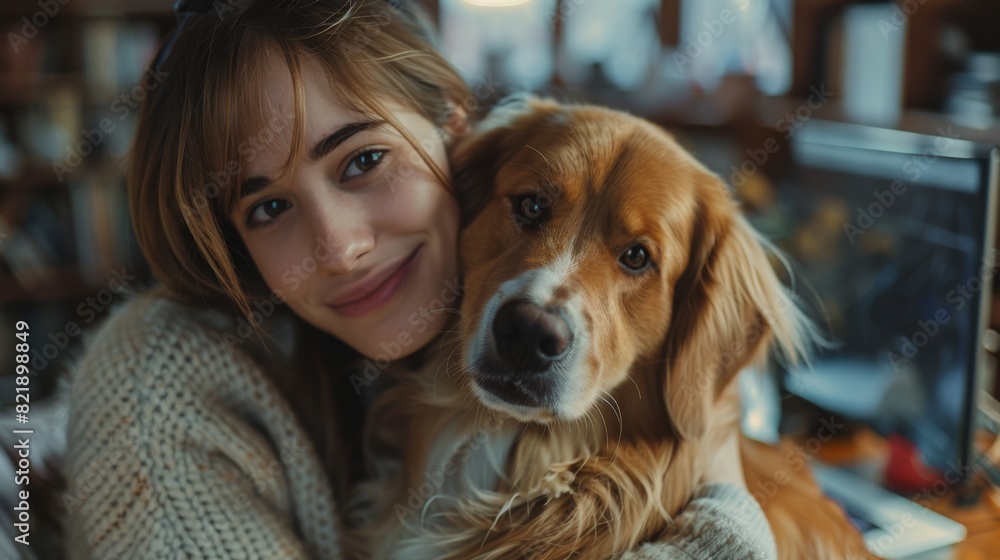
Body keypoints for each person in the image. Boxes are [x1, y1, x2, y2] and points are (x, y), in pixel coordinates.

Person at [62, 1, 777, 558]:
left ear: (452, 140)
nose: (339, 250)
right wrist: (726, 528)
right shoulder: (155, 390)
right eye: (269, 207)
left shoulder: (412, 338)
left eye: (363, 161)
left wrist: (717, 449)